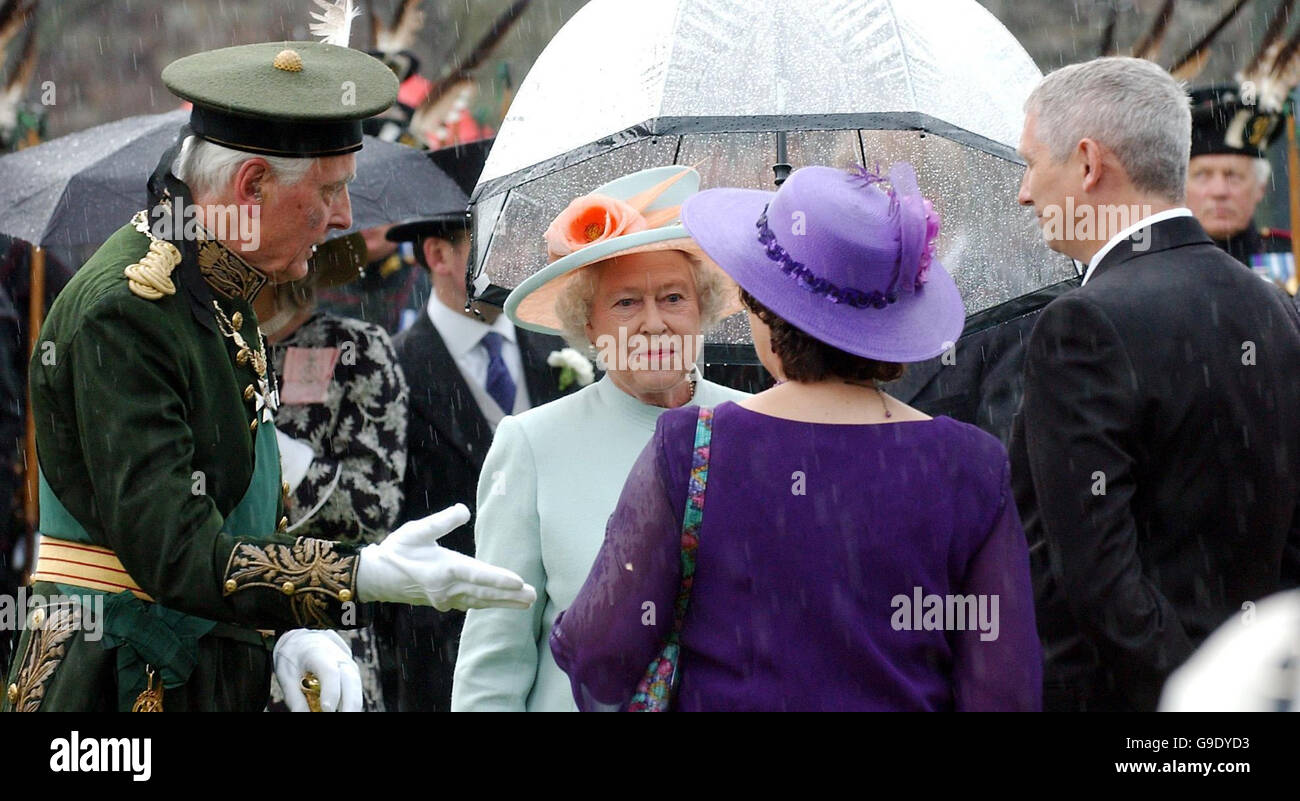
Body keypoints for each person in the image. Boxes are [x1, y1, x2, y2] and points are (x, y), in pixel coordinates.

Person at [2, 40, 535, 714]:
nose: (345, 216)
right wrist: (356, 573)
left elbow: (241, 512)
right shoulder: (129, 310)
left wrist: (287, 632)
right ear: (252, 185)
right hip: (115, 685)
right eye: (330, 189)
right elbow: (175, 551)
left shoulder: (220, 284)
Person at [550, 164, 1041, 711]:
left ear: (762, 305)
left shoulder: (693, 447)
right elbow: (1003, 691)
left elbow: (601, 658)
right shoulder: (970, 465)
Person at [1012, 56, 1300, 712]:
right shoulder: (1276, 308)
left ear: (1088, 163)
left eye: (1030, 162)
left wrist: (1191, 703)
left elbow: (1094, 577)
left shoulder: (1081, 323)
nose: (1024, 192)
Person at [451, 165, 749, 712]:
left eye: (674, 298)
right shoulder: (533, 445)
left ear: (702, 309)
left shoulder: (760, 427)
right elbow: (495, 658)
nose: (654, 323)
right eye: (626, 303)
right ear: (588, 324)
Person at [378, 138, 575, 712]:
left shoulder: (560, 350)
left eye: (518, 234)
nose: (514, 256)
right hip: (443, 653)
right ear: (438, 255)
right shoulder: (392, 373)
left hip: (563, 652)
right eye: (494, 239)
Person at [254, 234, 409, 711]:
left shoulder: (354, 350)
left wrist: (278, 457)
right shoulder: (202, 353)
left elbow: (375, 507)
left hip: (323, 630)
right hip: (218, 632)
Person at [1185, 85, 1295, 289]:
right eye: (1202, 175)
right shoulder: (1149, 262)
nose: (1219, 191)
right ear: (1179, 187)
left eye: (1233, 176)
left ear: (1260, 188)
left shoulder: (1293, 259)